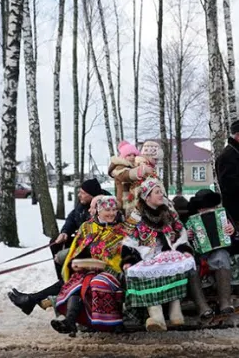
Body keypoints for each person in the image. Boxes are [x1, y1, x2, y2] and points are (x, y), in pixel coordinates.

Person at [8, 178, 112, 315]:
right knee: (55, 243)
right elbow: (72, 218)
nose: (79, 195)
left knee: (66, 262)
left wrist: (68, 253)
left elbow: (96, 241)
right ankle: (55, 285)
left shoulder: (104, 212)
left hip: (96, 256)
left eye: (82, 192)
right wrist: (64, 233)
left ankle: (34, 298)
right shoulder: (83, 207)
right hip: (86, 249)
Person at [122, 178, 210, 331]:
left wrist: (184, 250)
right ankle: (156, 316)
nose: (161, 195)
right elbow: (128, 242)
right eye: (157, 192)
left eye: (161, 192)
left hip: (169, 253)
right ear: (147, 197)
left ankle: (175, 312)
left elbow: (180, 233)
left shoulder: (169, 213)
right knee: (145, 273)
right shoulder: (136, 218)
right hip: (146, 256)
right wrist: (128, 259)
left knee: (178, 266)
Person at [50, 195, 134, 336]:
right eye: (107, 209)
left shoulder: (122, 230)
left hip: (113, 271)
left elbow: (128, 252)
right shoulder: (87, 227)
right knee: (76, 284)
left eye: (114, 209)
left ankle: (109, 322)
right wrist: (76, 263)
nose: (112, 213)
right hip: (88, 269)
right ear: (98, 211)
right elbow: (77, 250)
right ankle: (70, 321)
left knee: (93, 282)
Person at [186, 189, 238, 316]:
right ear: (198, 209)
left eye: (211, 208)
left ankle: (225, 302)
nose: (208, 211)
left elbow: (238, 240)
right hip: (198, 255)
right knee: (191, 265)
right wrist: (186, 236)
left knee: (222, 256)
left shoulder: (224, 216)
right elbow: (179, 243)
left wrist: (233, 231)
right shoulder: (189, 221)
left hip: (218, 252)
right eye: (203, 209)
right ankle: (202, 306)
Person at [108, 140, 153, 218]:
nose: (132, 157)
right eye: (129, 155)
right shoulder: (119, 167)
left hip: (134, 200)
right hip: (124, 202)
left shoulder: (134, 166)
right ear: (123, 157)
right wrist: (141, 171)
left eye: (134, 155)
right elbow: (125, 175)